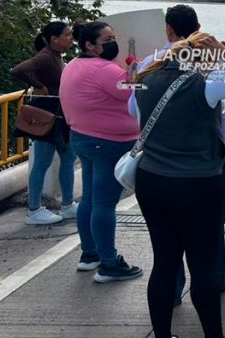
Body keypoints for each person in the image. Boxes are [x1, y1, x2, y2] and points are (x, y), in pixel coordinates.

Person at [134, 32, 225, 338]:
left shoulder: (144, 82)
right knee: (204, 265)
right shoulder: (204, 85)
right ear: (199, 60)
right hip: (198, 184)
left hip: (152, 179)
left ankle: (162, 336)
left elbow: (135, 119)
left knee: (165, 261)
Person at [125, 5, 225, 303]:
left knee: (166, 249)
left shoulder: (152, 63)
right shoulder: (209, 63)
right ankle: (214, 277)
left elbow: (132, 109)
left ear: (168, 30)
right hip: (204, 161)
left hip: (157, 165)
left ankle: (172, 290)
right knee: (209, 232)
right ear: (199, 27)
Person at [59, 21, 143, 283]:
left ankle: (90, 254)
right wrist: (139, 69)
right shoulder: (105, 70)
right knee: (105, 204)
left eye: (114, 37)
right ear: (89, 45)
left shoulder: (73, 65)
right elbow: (135, 92)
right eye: (107, 40)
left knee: (90, 199)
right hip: (108, 143)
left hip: (83, 138)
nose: (113, 43)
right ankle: (109, 263)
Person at [10, 21, 78, 225]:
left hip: (59, 115)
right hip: (46, 117)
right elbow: (18, 70)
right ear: (54, 39)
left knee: (68, 159)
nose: (71, 38)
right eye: (67, 35)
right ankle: (34, 209)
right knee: (42, 163)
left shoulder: (56, 57)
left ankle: (67, 204)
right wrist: (38, 86)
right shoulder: (46, 56)